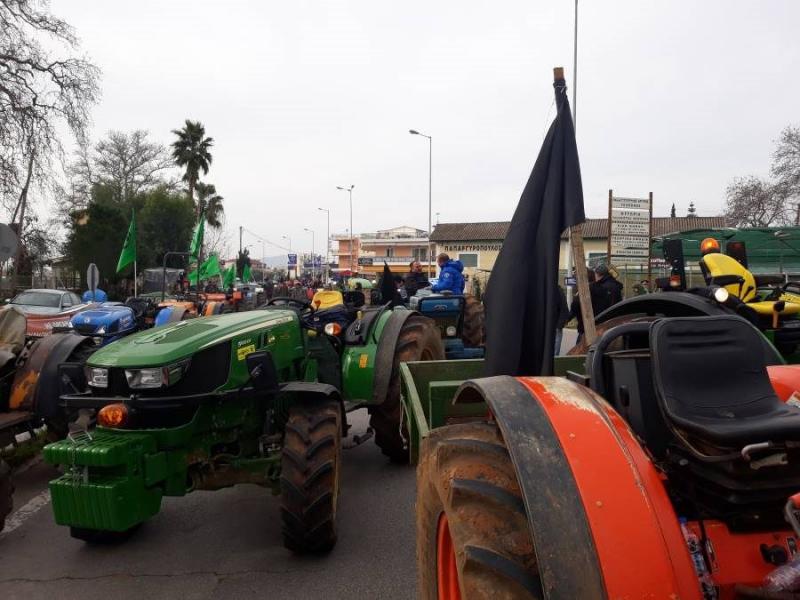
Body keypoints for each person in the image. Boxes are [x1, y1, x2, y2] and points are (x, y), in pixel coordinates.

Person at [554, 286, 569, 355]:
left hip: (556, 324)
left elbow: (564, 309)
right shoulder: (559, 290)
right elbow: (564, 308)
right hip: (557, 323)